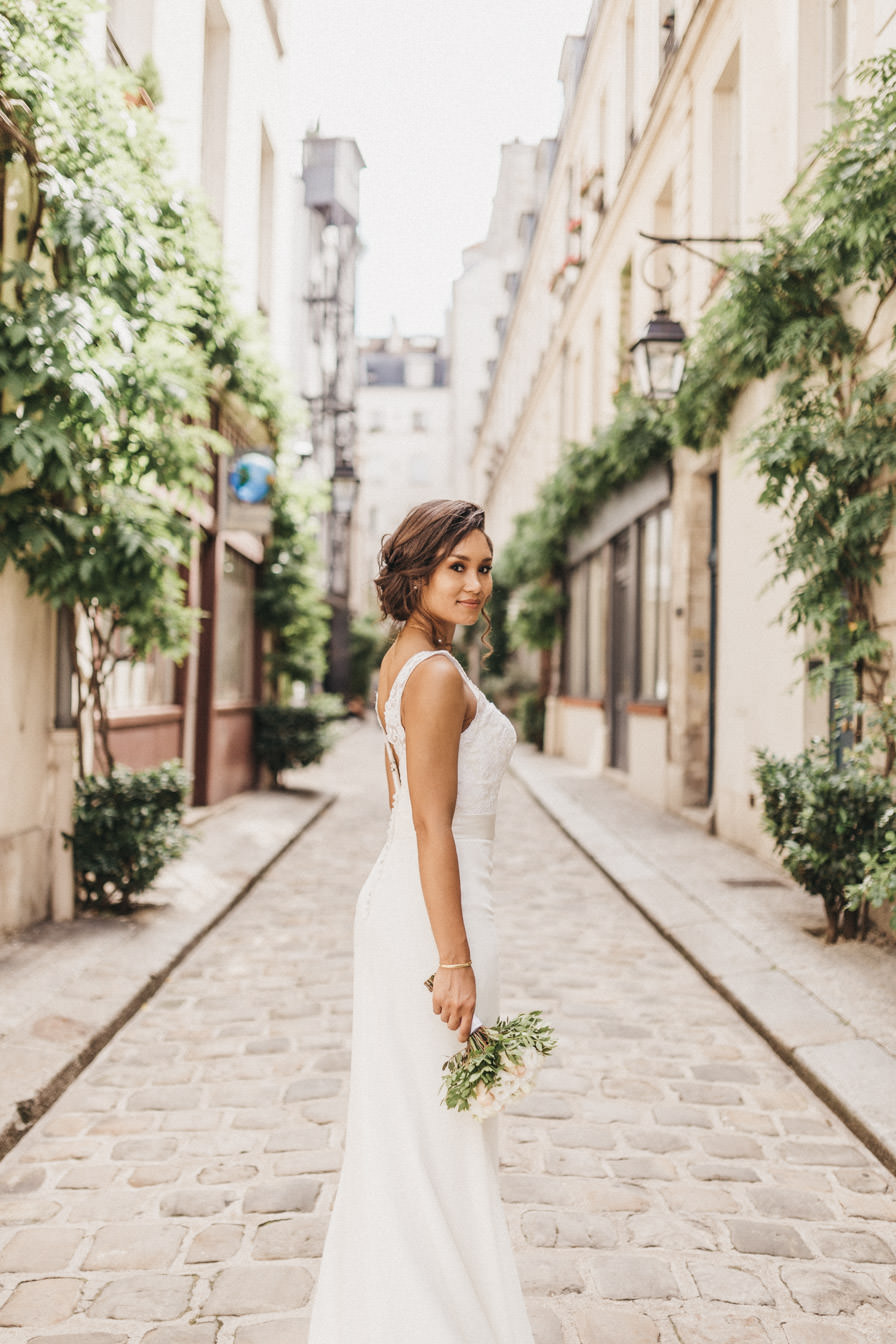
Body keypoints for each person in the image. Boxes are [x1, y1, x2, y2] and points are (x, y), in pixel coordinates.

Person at [308, 499, 534, 1344]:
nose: (475, 583)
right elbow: (430, 824)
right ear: (417, 575)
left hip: (405, 896)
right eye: (457, 568)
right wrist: (455, 957)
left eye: (483, 567)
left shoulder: (407, 658)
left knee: (412, 1127)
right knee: (438, 1128)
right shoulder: (435, 675)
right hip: (436, 909)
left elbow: (398, 804)